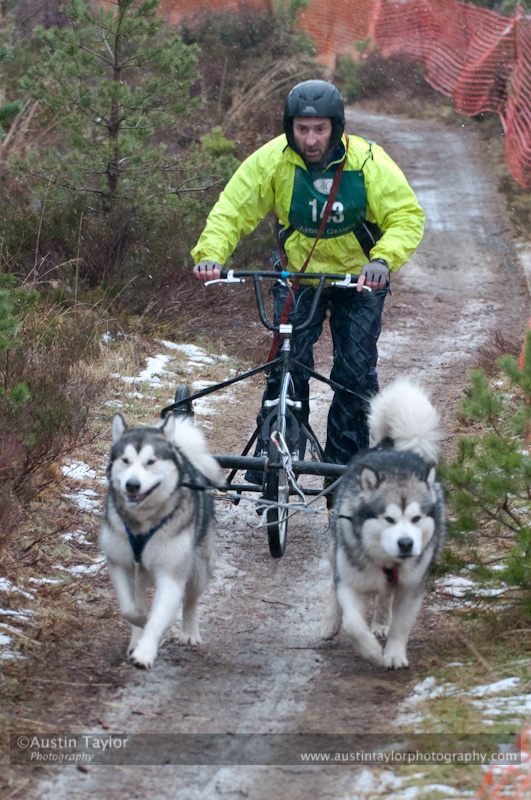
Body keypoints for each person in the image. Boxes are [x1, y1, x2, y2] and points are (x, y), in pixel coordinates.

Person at [191, 79, 425, 474]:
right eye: (302, 129)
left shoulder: (368, 162)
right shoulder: (273, 160)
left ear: (337, 126)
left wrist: (382, 260)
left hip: (358, 281)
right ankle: (276, 453)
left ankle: (344, 473)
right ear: (289, 127)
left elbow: (406, 216)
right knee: (288, 363)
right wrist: (211, 254)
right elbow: (232, 208)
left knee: (354, 375)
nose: (311, 139)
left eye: (319, 129)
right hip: (299, 276)